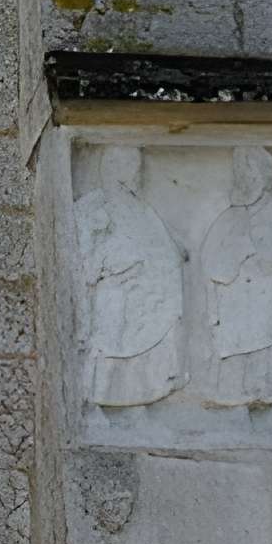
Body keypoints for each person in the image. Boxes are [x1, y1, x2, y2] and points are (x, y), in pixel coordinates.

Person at [199, 145, 272, 407]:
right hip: (236, 320)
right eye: (239, 172)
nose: (244, 178)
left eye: (250, 172)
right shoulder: (224, 222)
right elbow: (209, 269)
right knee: (235, 393)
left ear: (265, 178)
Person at [72, 145, 185, 408]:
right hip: (112, 293)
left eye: (137, 169)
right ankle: (94, 405)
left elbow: (160, 246)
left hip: (143, 297)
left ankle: (136, 405)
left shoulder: (141, 209)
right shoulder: (93, 206)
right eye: (130, 169)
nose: (136, 176)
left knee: (140, 355)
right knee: (106, 351)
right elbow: (83, 260)